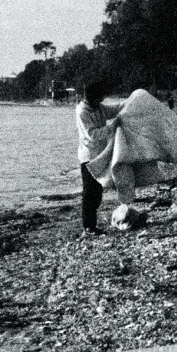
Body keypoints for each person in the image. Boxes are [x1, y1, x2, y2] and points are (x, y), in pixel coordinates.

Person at [76, 80, 119, 236]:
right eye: (99, 98)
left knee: (98, 191)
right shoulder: (82, 111)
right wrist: (112, 127)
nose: (101, 102)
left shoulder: (98, 107)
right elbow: (93, 135)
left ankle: (92, 226)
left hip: (100, 154)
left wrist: (130, 102)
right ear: (90, 98)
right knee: (89, 192)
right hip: (88, 157)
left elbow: (113, 110)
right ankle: (88, 227)